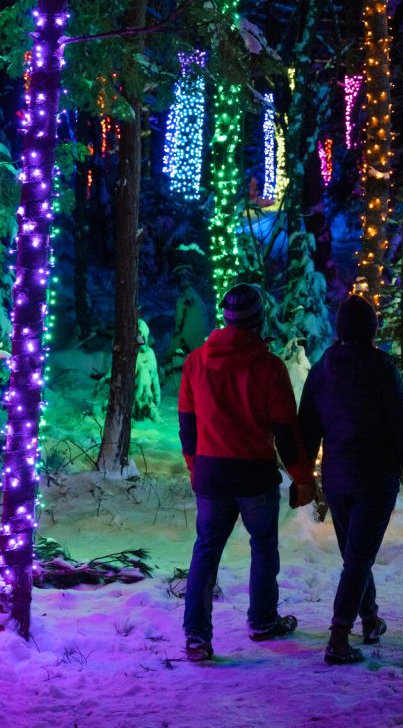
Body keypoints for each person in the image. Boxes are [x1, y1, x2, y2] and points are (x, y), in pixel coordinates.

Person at [179, 283, 317, 663]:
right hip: (255, 474)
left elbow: (187, 425)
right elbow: (286, 430)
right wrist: (302, 477)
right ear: (259, 320)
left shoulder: (195, 362)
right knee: (263, 548)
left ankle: (196, 637)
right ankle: (262, 620)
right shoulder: (268, 367)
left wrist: (195, 466)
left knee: (206, 551)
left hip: (211, 472)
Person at [298, 294, 403, 665]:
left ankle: (370, 620)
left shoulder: (323, 368)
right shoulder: (381, 368)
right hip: (375, 478)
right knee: (357, 558)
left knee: (356, 553)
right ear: (371, 329)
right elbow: (402, 426)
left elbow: (308, 425)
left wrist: (304, 474)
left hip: (337, 478)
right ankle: (339, 637)